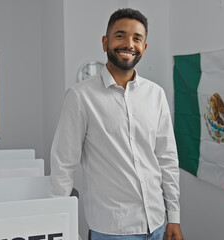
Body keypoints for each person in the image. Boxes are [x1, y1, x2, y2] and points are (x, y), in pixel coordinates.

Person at [49, 8, 184, 240]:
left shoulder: (156, 94)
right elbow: (63, 164)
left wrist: (174, 216)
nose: (128, 44)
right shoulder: (81, 97)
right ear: (105, 42)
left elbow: (167, 160)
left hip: (157, 224)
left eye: (137, 38)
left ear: (144, 47)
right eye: (120, 35)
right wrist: (56, 225)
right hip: (112, 229)